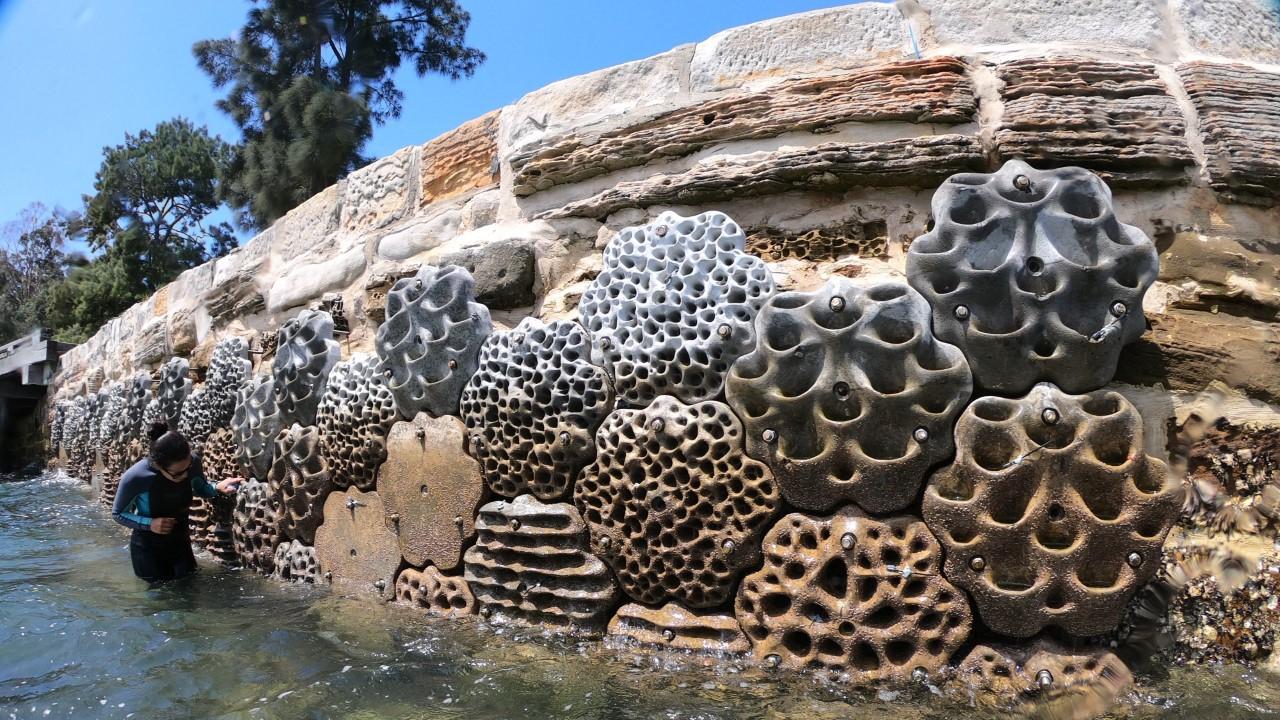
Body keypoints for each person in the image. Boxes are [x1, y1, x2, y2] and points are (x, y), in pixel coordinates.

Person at [111, 422, 243, 583]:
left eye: (188, 468)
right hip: (148, 549)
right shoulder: (136, 477)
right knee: (159, 599)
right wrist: (149, 524)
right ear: (159, 466)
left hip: (181, 543)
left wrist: (217, 487)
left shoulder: (192, 463)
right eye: (178, 474)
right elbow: (118, 513)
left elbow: (200, 488)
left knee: (189, 590)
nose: (186, 475)